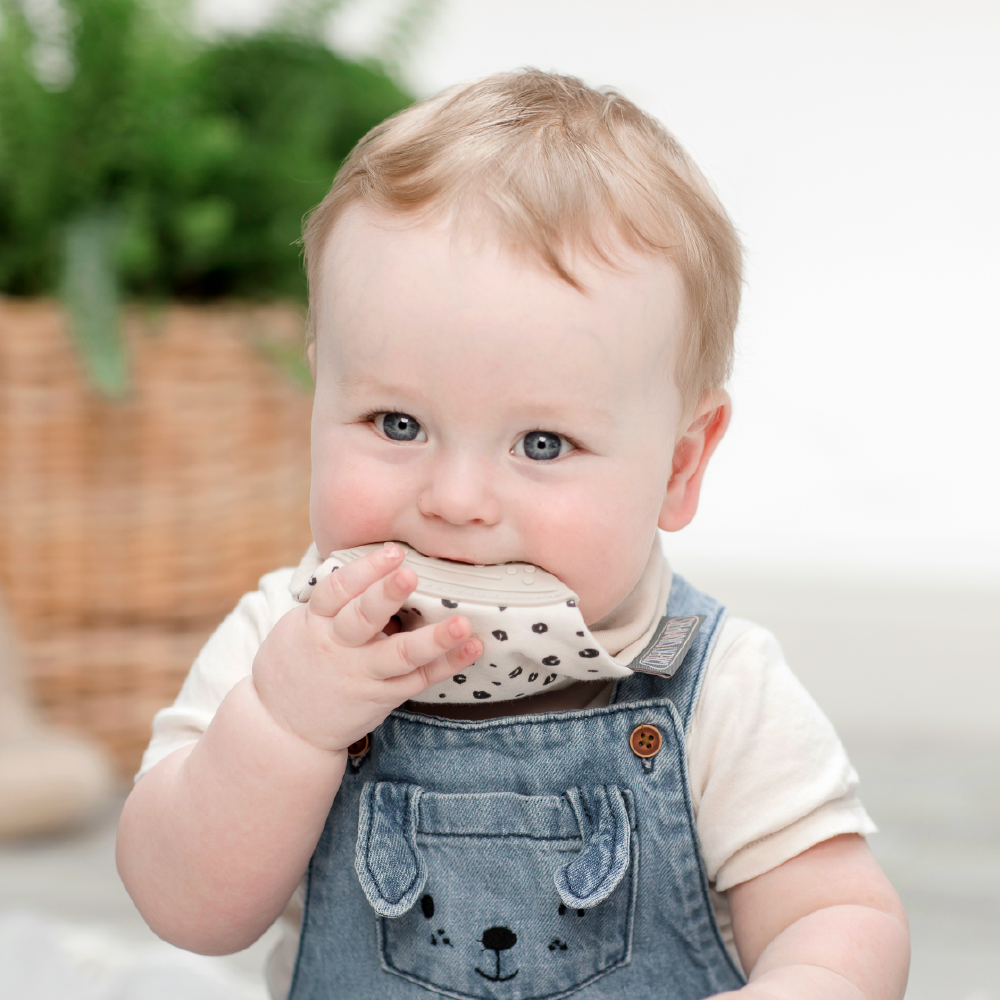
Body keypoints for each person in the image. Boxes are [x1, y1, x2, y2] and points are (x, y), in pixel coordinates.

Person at [116, 70, 909, 1000]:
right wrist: (287, 724)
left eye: (542, 443)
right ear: (319, 390)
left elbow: (838, 914)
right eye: (396, 425)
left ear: (681, 465)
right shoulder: (280, 643)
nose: (455, 500)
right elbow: (185, 910)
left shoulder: (715, 687)